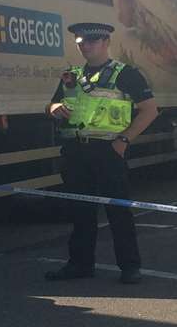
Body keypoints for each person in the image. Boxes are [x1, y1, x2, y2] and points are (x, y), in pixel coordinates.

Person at [45, 22, 159, 284]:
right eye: (80, 42)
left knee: (118, 211)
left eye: (91, 41)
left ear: (106, 42)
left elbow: (150, 110)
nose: (85, 46)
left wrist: (123, 141)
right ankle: (80, 264)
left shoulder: (125, 73)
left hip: (108, 150)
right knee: (80, 212)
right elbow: (53, 103)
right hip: (76, 150)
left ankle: (130, 267)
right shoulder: (71, 75)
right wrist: (52, 109)